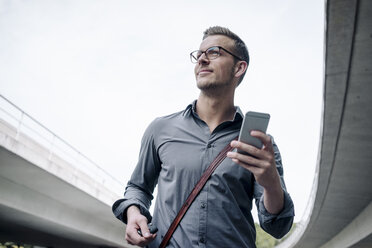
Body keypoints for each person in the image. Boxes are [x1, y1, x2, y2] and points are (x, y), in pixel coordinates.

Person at [112, 26, 295, 247]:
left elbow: (277, 226)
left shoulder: (259, 144)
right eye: (199, 54)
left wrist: (272, 184)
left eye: (214, 52)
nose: (202, 60)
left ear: (239, 67)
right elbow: (138, 187)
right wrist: (133, 213)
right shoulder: (161, 129)